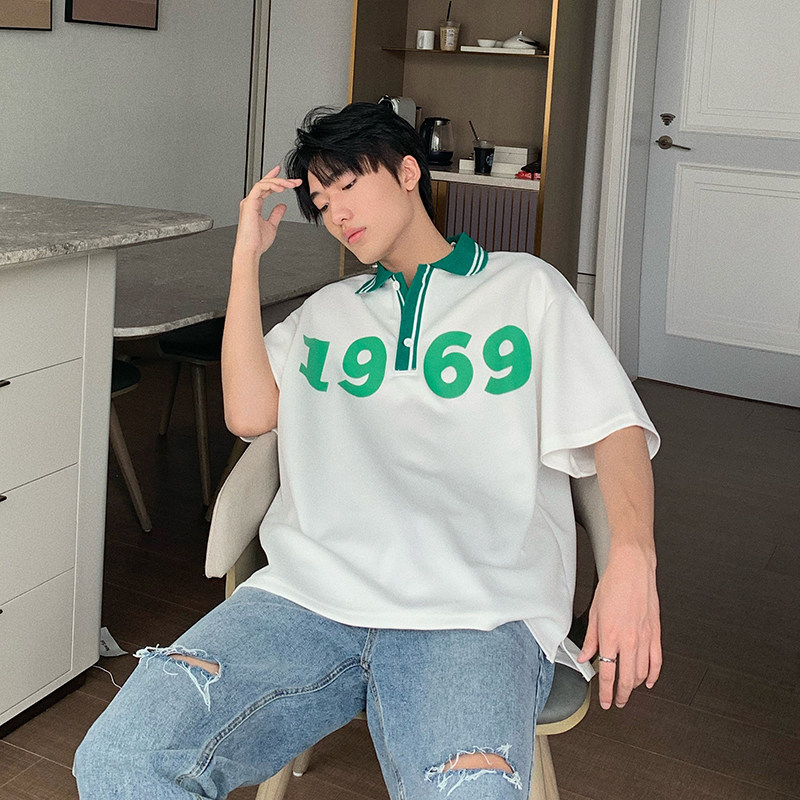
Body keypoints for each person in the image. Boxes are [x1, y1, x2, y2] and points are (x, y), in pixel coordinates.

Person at [74, 102, 662, 799]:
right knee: (120, 759)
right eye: (321, 204)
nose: (337, 214)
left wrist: (632, 558)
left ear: (409, 171)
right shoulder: (328, 311)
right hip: (305, 600)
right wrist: (245, 262)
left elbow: (613, 426)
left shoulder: (526, 289)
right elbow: (248, 413)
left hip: (473, 613)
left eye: (348, 185)